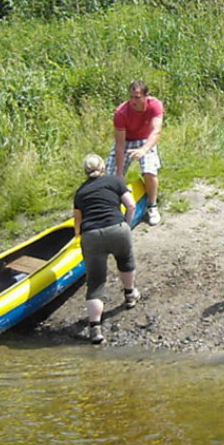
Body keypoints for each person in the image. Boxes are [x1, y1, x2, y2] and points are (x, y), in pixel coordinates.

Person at [74, 153, 140, 345]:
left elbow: (77, 221)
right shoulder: (114, 181)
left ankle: (95, 328)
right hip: (116, 229)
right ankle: (130, 295)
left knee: (95, 282)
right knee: (125, 261)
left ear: (85, 172)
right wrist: (126, 225)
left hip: (91, 235)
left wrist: (79, 237)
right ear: (103, 167)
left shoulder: (80, 193)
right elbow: (131, 205)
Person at [105, 80, 164, 225]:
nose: (133, 101)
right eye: (131, 97)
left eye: (137, 97)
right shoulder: (121, 112)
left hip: (145, 139)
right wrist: (119, 173)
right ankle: (111, 208)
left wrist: (143, 150)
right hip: (127, 140)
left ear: (146, 96)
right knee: (110, 177)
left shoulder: (155, 105)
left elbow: (156, 131)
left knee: (149, 171)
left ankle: (152, 205)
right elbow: (119, 145)